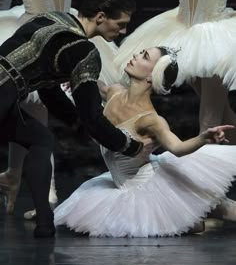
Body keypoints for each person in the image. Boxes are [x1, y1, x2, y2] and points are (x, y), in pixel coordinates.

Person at [0, 0, 142, 238]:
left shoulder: (53, 19)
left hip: (5, 96)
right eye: (120, 24)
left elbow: (49, 90)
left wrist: (74, 122)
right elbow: (93, 119)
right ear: (100, 17)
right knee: (40, 140)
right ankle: (45, 225)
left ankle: (45, 225)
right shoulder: (83, 51)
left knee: (41, 139)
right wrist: (131, 146)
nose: (122, 31)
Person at [54, 46, 236, 237]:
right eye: (141, 52)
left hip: (149, 189)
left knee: (215, 207)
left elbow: (178, 148)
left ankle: (196, 219)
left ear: (152, 75)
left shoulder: (151, 120)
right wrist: (75, 78)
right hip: (122, 184)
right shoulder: (114, 92)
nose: (136, 56)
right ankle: (195, 220)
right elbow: (95, 86)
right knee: (196, 216)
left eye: (145, 57)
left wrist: (203, 138)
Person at [106, 0, 236, 143]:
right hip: (185, 32)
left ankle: (204, 166)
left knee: (209, 119)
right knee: (222, 112)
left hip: (215, 39)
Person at [0, 0, 76, 217]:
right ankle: (44, 190)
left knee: (38, 108)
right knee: (32, 108)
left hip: (65, 28)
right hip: (31, 34)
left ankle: (14, 176)